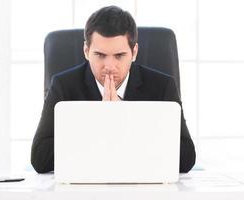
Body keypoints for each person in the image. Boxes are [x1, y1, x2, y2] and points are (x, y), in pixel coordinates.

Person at [31, 5, 196, 173]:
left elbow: (186, 158)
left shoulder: (163, 86)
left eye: (119, 56)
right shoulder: (63, 86)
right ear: (86, 51)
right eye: (100, 55)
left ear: (134, 52)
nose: (109, 66)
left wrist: (125, 117)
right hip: (87, 182)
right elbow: (39, 158)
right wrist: (100, 121)